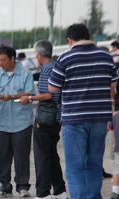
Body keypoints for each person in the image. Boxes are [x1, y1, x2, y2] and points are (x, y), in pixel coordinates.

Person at [48, 23, 119, 199]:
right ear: (88, 37)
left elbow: (52, 88)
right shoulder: (105, 56)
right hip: (99, 119)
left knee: (75, 166)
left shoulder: (65, 57)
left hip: (74, 120)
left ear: (69, 40)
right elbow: (113, 83)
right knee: (95, 163)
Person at [0, 45, 36, 198]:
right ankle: (4, 186)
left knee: (21, 155)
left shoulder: (25, 73)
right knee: (3, 155)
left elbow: (30, 93)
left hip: (21, 122)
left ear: (12, 58)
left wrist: (12, 96)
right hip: (2, 121)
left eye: (3, 60)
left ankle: (22, 186)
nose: (0, 63)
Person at [19, 40, 67, 199]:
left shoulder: (46, 69)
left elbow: (48, 95)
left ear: (39, 54)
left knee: (42, 157)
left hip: (44, 118)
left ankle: (43, 193)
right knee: (52, 155)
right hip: (57, 119)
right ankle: (60, 190)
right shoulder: (59, 67)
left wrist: (30, 98)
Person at [108, 111, 119, 199]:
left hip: (118, 148)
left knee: (117, 170)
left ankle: (115, 192)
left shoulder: (116, 114)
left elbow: (109, 127)